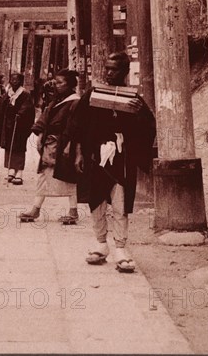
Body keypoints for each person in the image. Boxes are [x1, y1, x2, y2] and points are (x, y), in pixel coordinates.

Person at [69, 51, 156, 273]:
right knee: (96, 201)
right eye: (107, 68)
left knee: (120, 202)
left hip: (122, 157)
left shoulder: (135, 99)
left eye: (114, 69)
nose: (109, 72)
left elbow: (148, 128)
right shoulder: (92, 94)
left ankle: (120, 248)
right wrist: (78, 153)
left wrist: (139, 116)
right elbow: (77, 125)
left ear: (125, 72)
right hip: (95, 156)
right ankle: (100, 244)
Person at [20, 69, 81, 224]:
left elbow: (74, 127)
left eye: (61, 83)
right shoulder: (56, 100)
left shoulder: (75, 101)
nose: (57, 85)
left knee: (69, 178)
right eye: (56, 82)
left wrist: (69, 146)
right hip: (50, 144)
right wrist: (40, 134)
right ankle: (36, 208)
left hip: (64, 144)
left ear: (71, 85)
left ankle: (73, 211)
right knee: (43, 176)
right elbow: (45, 119)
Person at [0, 72, 35, 185]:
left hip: (20, 125)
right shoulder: (8, 93)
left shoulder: (24, 94)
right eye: (12, 79)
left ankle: (19, 172)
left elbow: (27, 107)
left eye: (16, 80)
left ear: (21, 81)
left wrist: (21, 113)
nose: (14, 81)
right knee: (9, 146)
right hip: (8, 125)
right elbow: (1, 106)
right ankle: (11, 170)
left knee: (19, 147)